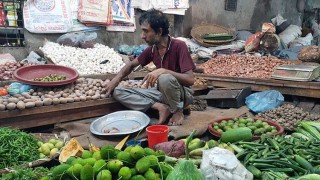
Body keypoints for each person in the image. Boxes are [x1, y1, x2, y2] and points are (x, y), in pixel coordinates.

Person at [105, 9, 195, 126]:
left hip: (182, 94)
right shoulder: (152, 49)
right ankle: (160, 107)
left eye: (145, 31)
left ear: (159, 32)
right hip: (161, 93)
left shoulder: (179, 46)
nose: (142, 36)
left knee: (164, 78)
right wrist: (115, 80)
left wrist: (163, 71)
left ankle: (178, 110)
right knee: (118, 92)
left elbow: (190, 80)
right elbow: (131, 64)